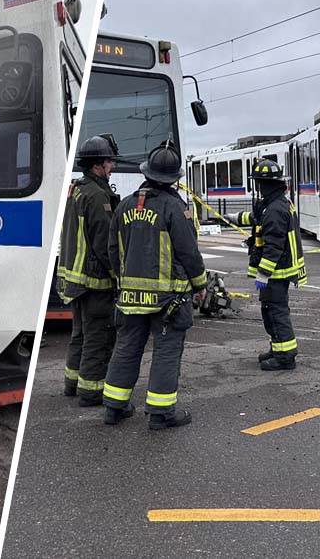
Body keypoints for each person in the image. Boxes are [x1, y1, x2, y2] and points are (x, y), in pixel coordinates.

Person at [102, 142, 207, 430]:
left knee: (126, 348)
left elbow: (112, 250)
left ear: (147, 173)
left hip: (129, 296)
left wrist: (121, 282)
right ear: (175, 178)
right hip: (167, 299)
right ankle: (161, 414)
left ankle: (114, 407)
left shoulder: (124, 205)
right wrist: (200, 283)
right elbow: (188, 252)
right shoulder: (175, 207)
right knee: (167, 351)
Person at [56, 135, 120, 406]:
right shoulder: (96, 196)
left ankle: (72, 383)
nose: (112, 168)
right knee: (99, 337)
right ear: (97, 166)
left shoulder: (76, 190)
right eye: (109, 163)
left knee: (79, 334)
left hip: (75, 280)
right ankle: (91, 391)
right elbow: (105, 244)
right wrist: (119, 275)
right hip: (95, 282)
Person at [236, 159, 307, 371]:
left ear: (264, 183)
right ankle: (278, 348)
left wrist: (263, 274)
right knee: (272, 312)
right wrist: (235, 217)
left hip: (277, 273)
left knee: (275, 313)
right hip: (279, 272)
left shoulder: (275, 208)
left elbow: (274, 245)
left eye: (258, 183)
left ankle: (285, 358)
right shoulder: (275, 203)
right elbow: (259, 218)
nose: (257, 187)